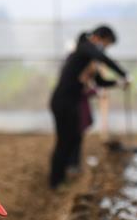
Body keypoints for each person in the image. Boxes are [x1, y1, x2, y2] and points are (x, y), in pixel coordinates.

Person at [50, 25, 128, 188]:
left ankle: (62, 176)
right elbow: (101, 57)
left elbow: (99, 81)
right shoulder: (84, 48)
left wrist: (118, 82)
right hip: (63, 101)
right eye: (107, 44)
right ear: (100, 38)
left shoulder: (88, 56)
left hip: (71, 102)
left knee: (74, 138)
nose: (105, 48)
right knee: (64, 141)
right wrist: (123, 73)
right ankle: (55, 181)